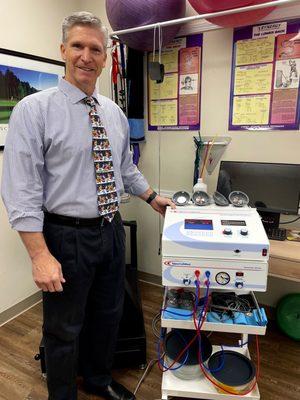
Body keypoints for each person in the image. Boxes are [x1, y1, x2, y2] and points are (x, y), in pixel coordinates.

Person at [1, 11, 174, 400]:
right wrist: (39, 255)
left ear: (105, 56)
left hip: (110, 232)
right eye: (77, 46)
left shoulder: (112, 114)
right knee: (63, 328)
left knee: (108, 316)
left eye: (95, 49)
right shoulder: (33, 111)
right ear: (62, 49)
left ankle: (97, 380)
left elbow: (125, 168)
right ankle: (63, 394)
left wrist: (150, 197)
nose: (86, 56)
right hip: (64, 237)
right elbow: (20, 189)